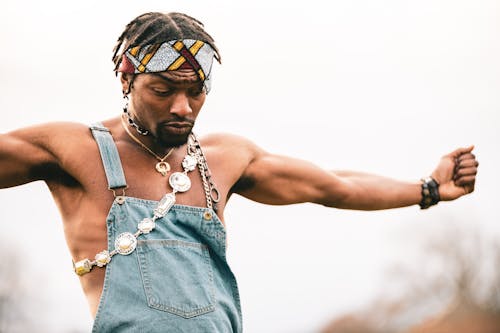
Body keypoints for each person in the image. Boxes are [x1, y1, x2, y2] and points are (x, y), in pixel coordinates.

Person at [0, 11, 478, 333]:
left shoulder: (224, 159)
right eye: (164, 90)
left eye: (196, 91)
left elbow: (334, 185)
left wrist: (430, 187)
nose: (183, 107)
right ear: (127, 79)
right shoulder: (73, 150)